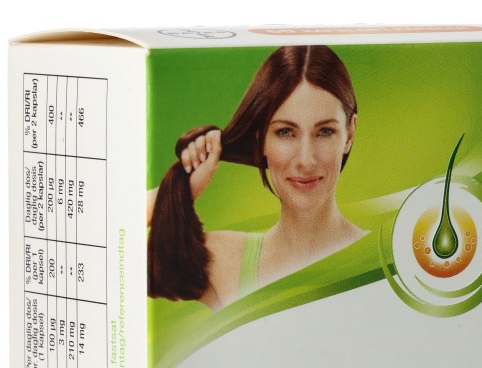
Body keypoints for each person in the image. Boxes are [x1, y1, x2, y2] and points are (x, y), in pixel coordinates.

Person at [147, 46, 365, 309]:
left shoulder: (385, 254)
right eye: (285, 132)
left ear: (349, 134)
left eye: (325, 131)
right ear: (260, 138)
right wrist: (182, 188)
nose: (306, 160)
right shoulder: (223, 261)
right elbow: (111, 246)